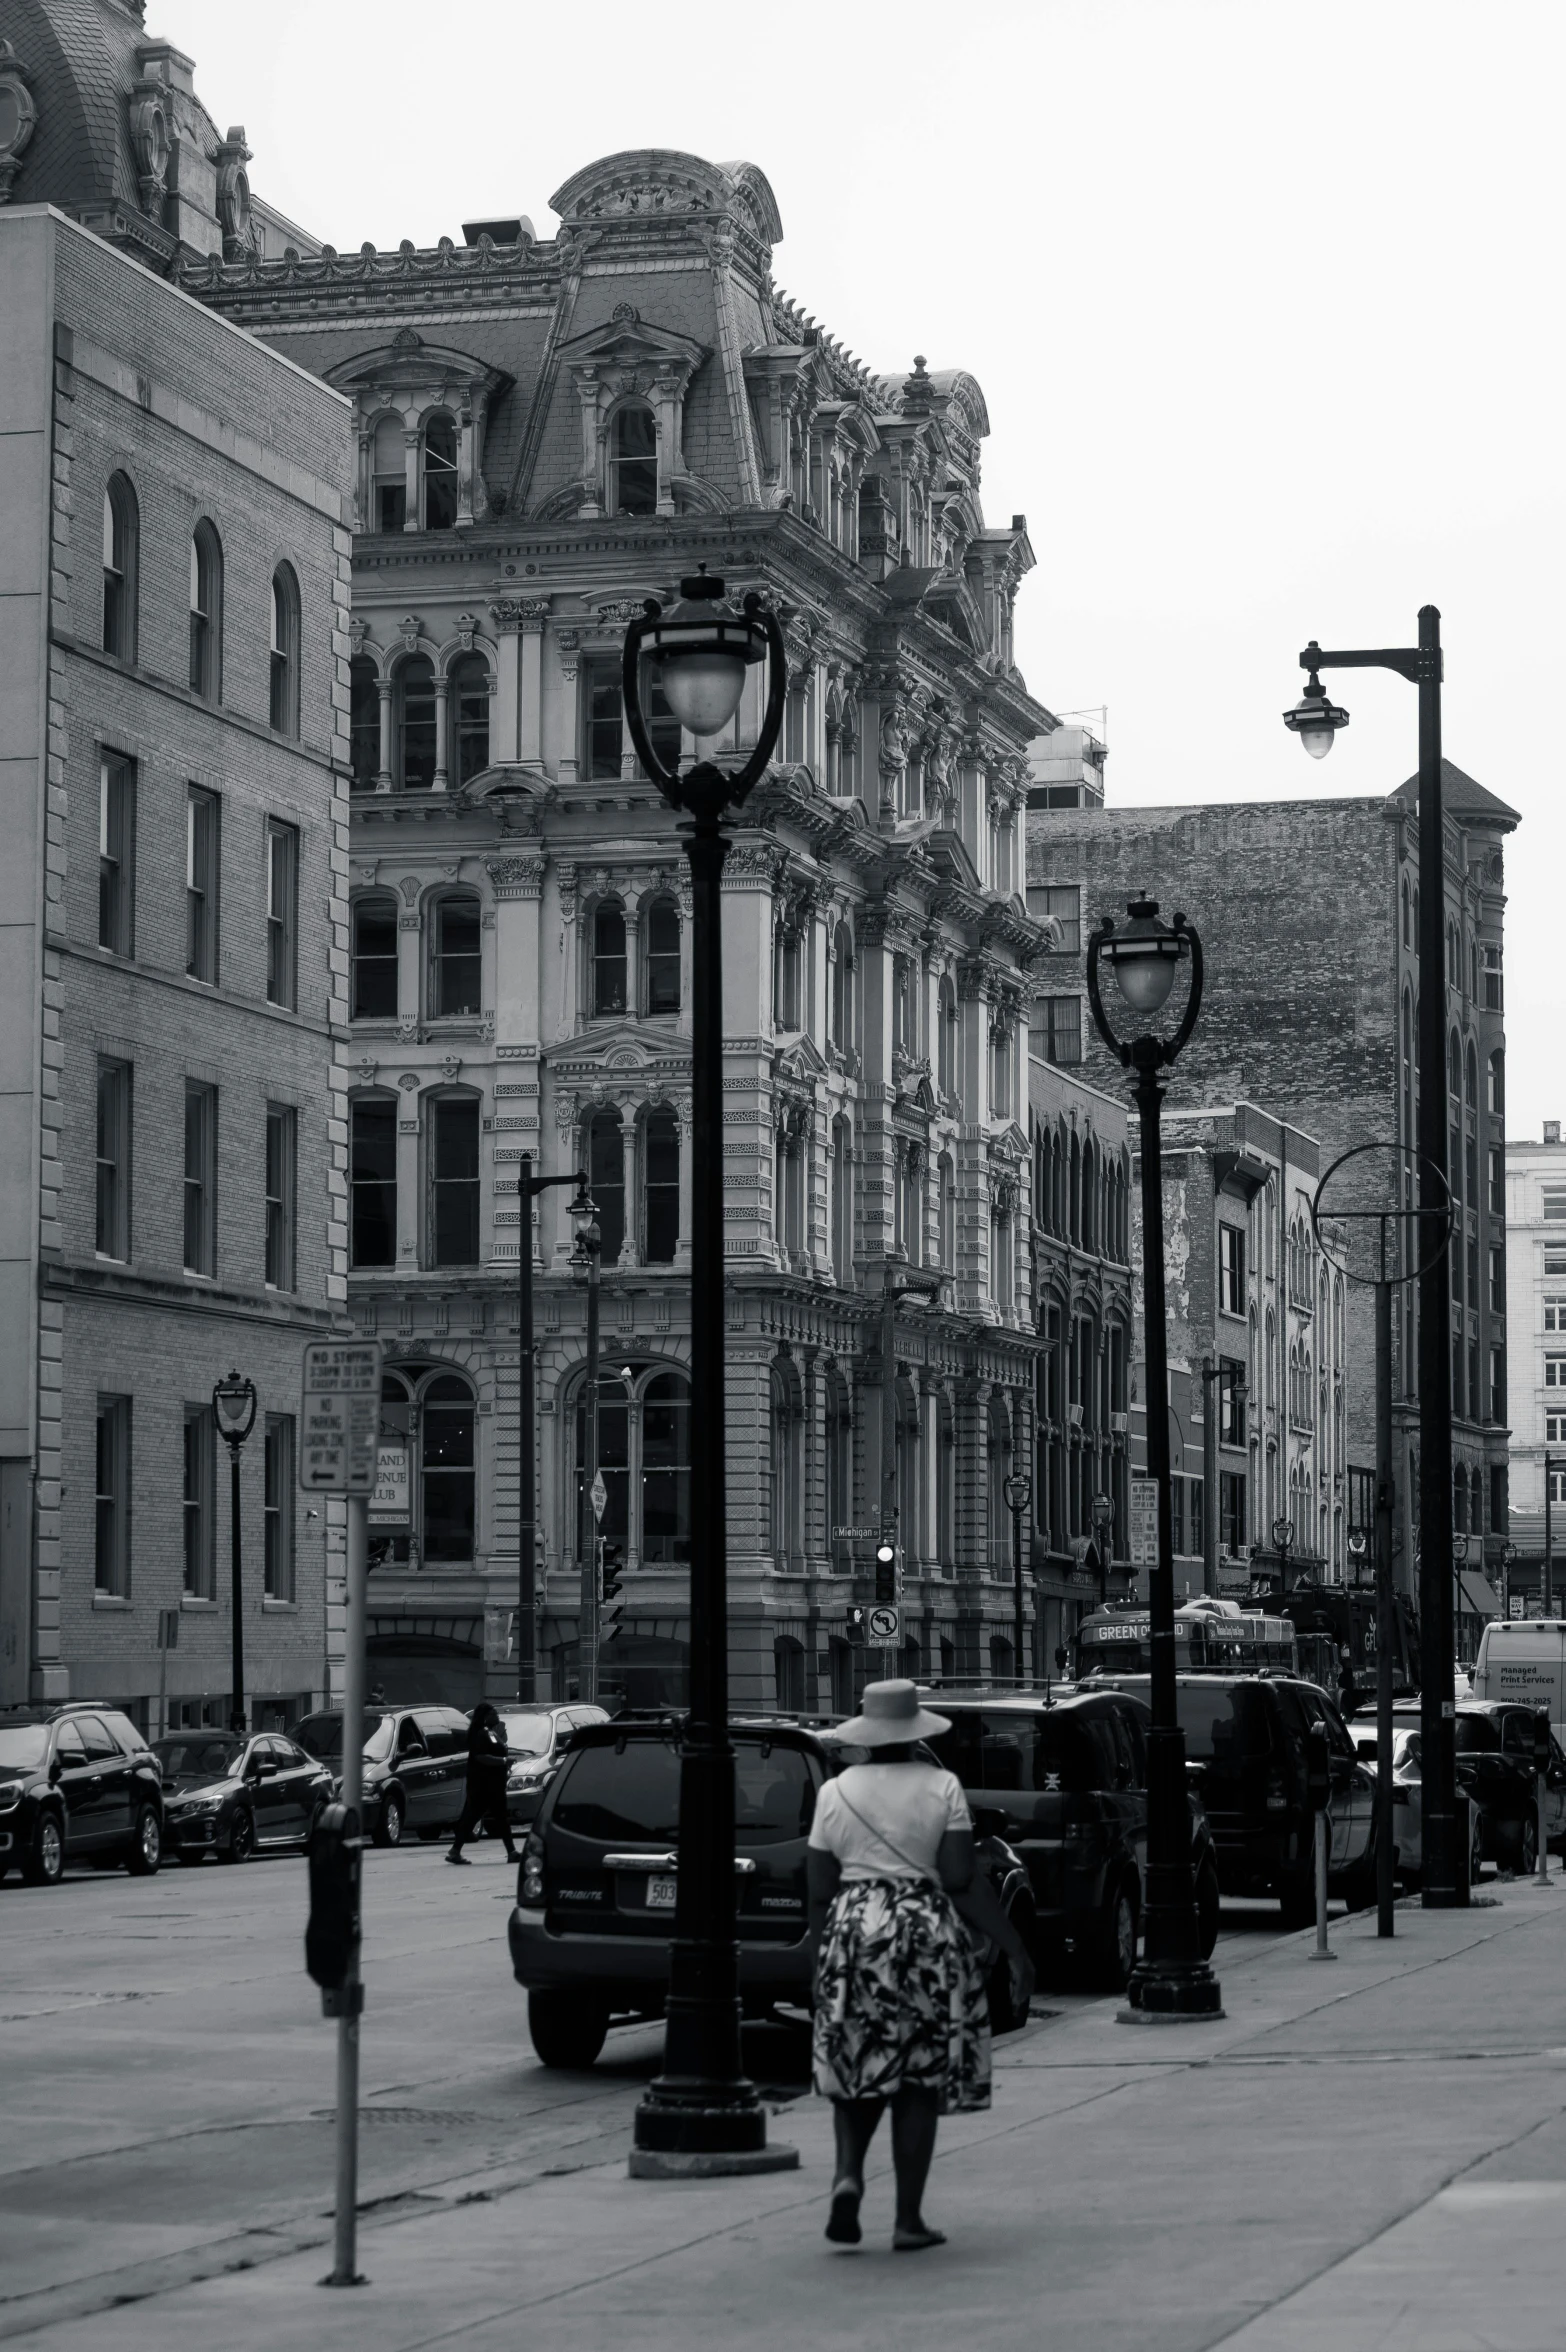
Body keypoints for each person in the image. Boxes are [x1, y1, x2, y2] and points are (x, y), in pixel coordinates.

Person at [807, 1679, 1034, 2253]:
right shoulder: (941, 1786)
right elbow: (960, 1878)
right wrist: (1012, 1947)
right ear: (914, 1734)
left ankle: (847, 2175)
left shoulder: (834, 1792)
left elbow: (818, 1887)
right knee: (918, 2080)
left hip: (854, 1932)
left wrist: (821, 1959)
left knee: (856, 2063)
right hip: (923, 1931)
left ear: (866, 1736)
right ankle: (907, 2219)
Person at [446, 1700, 518, 1865]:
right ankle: (455, 1851)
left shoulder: (490, 1732)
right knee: (481, 1817)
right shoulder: (481, 1733)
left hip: (493, 1784)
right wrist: (504, 1760)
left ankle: (511, 1852)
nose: (497, 1716)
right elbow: (481, 1756)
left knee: (491, 1817)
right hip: (485, 1785)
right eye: (494, 1713)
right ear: (485, 1717)